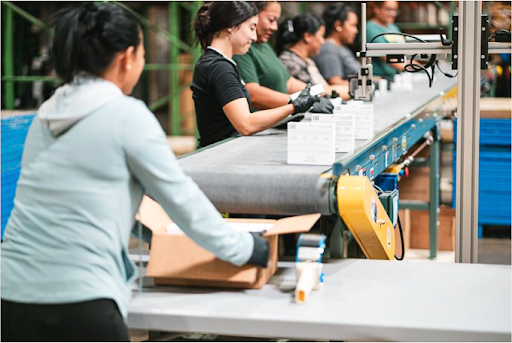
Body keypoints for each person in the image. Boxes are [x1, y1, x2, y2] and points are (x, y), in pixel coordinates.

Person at [1, 3, 270, 341]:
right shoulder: (127, 116)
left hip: (11, 295)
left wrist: (157, 239)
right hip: (80, 299)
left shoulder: (46, 114)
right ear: (127, 57)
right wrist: (246, 248)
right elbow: (183, 202)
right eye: (143, 53)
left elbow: (95, 201)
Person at [191, 2, 320, 148]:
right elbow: (246, 124)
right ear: (231, 26)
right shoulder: (219, 67)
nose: (253, 37)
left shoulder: (220, 63)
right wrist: (293, 107)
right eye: (251, 28)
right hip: (218, 154)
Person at [232, 2, 332, 113]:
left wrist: (315, 93)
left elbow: (287, 82)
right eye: (271, 20)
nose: (275, 27)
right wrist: (298, 102)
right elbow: (252, 94)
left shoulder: (264, 46)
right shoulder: (243, 49)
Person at [277, 13, 349, 100]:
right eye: (321, 36)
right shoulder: (289, 62)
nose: (323, 41)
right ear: (308, 36)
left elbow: (325, 89)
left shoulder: (307, 61)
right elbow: (320, 93)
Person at [314, 4, 362, 87]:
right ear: (338, 25)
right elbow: (335, 82)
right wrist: (363, 85)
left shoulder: (342, 47)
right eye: (352, 25)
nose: (356, 31)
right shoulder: (328, 50)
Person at [366, 1, 406, 80]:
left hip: (396, 77)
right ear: (376, 9)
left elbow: (406, 54)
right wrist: (414, 68)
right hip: (380, 79)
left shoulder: (393, 27)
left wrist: (421, 67)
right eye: (388, 10)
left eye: (395, 10)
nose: (393, 14)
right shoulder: (370, 28)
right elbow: (388, 58)